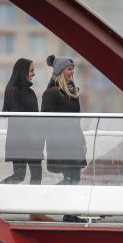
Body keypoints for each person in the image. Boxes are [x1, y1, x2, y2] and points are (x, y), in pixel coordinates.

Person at [0, 58, 53, 223]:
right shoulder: (13, 91)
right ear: (23, 72)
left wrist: (39, 135)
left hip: (33, 142)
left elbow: (34, 118)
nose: (34, 74)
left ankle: (34, 212)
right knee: (19, 176)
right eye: (31, 70)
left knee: (36, 174)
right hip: (20, 141)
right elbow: (18, 119)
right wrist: (33, 136)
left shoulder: (30, 92)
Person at [41, 54, 88, 223]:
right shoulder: (51, 93)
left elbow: (76, 121)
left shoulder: (72, 92)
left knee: (75, 178)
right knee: (69, 178)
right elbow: (45, 120)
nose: (73, 72)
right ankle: (43, 201)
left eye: (73, 68)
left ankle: (70, 214)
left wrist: (81, 141)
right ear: (61, 71)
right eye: (69, 69)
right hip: (61, 144)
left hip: (74, 143)